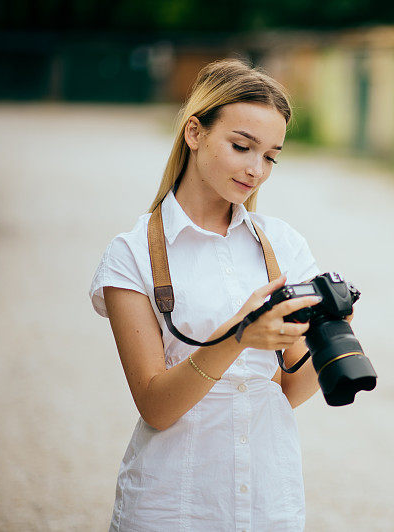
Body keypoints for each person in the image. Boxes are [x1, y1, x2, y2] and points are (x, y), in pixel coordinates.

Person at [89, 58, 343, 531]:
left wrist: (330, 333)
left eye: (270, 155)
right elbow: (156, 407)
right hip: (172, 504)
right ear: (194, 133)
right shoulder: (133, 255)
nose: (256, 170)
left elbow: (288, 392)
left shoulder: (282, 245)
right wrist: (240, 336)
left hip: (269, 501)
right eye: (242, 146)